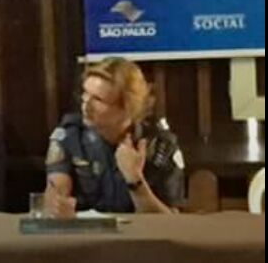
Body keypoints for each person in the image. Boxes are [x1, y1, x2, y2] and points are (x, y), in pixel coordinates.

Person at [43, 57, 185, 217]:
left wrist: (135, 180)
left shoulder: (160, 145)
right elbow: (55, 197)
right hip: (86, 232)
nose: (85, 105)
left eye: (98, 99)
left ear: (128, 108)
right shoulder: (70, 135)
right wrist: (58, 207)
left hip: (140, 233)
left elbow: (169, 223)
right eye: (85, 93)